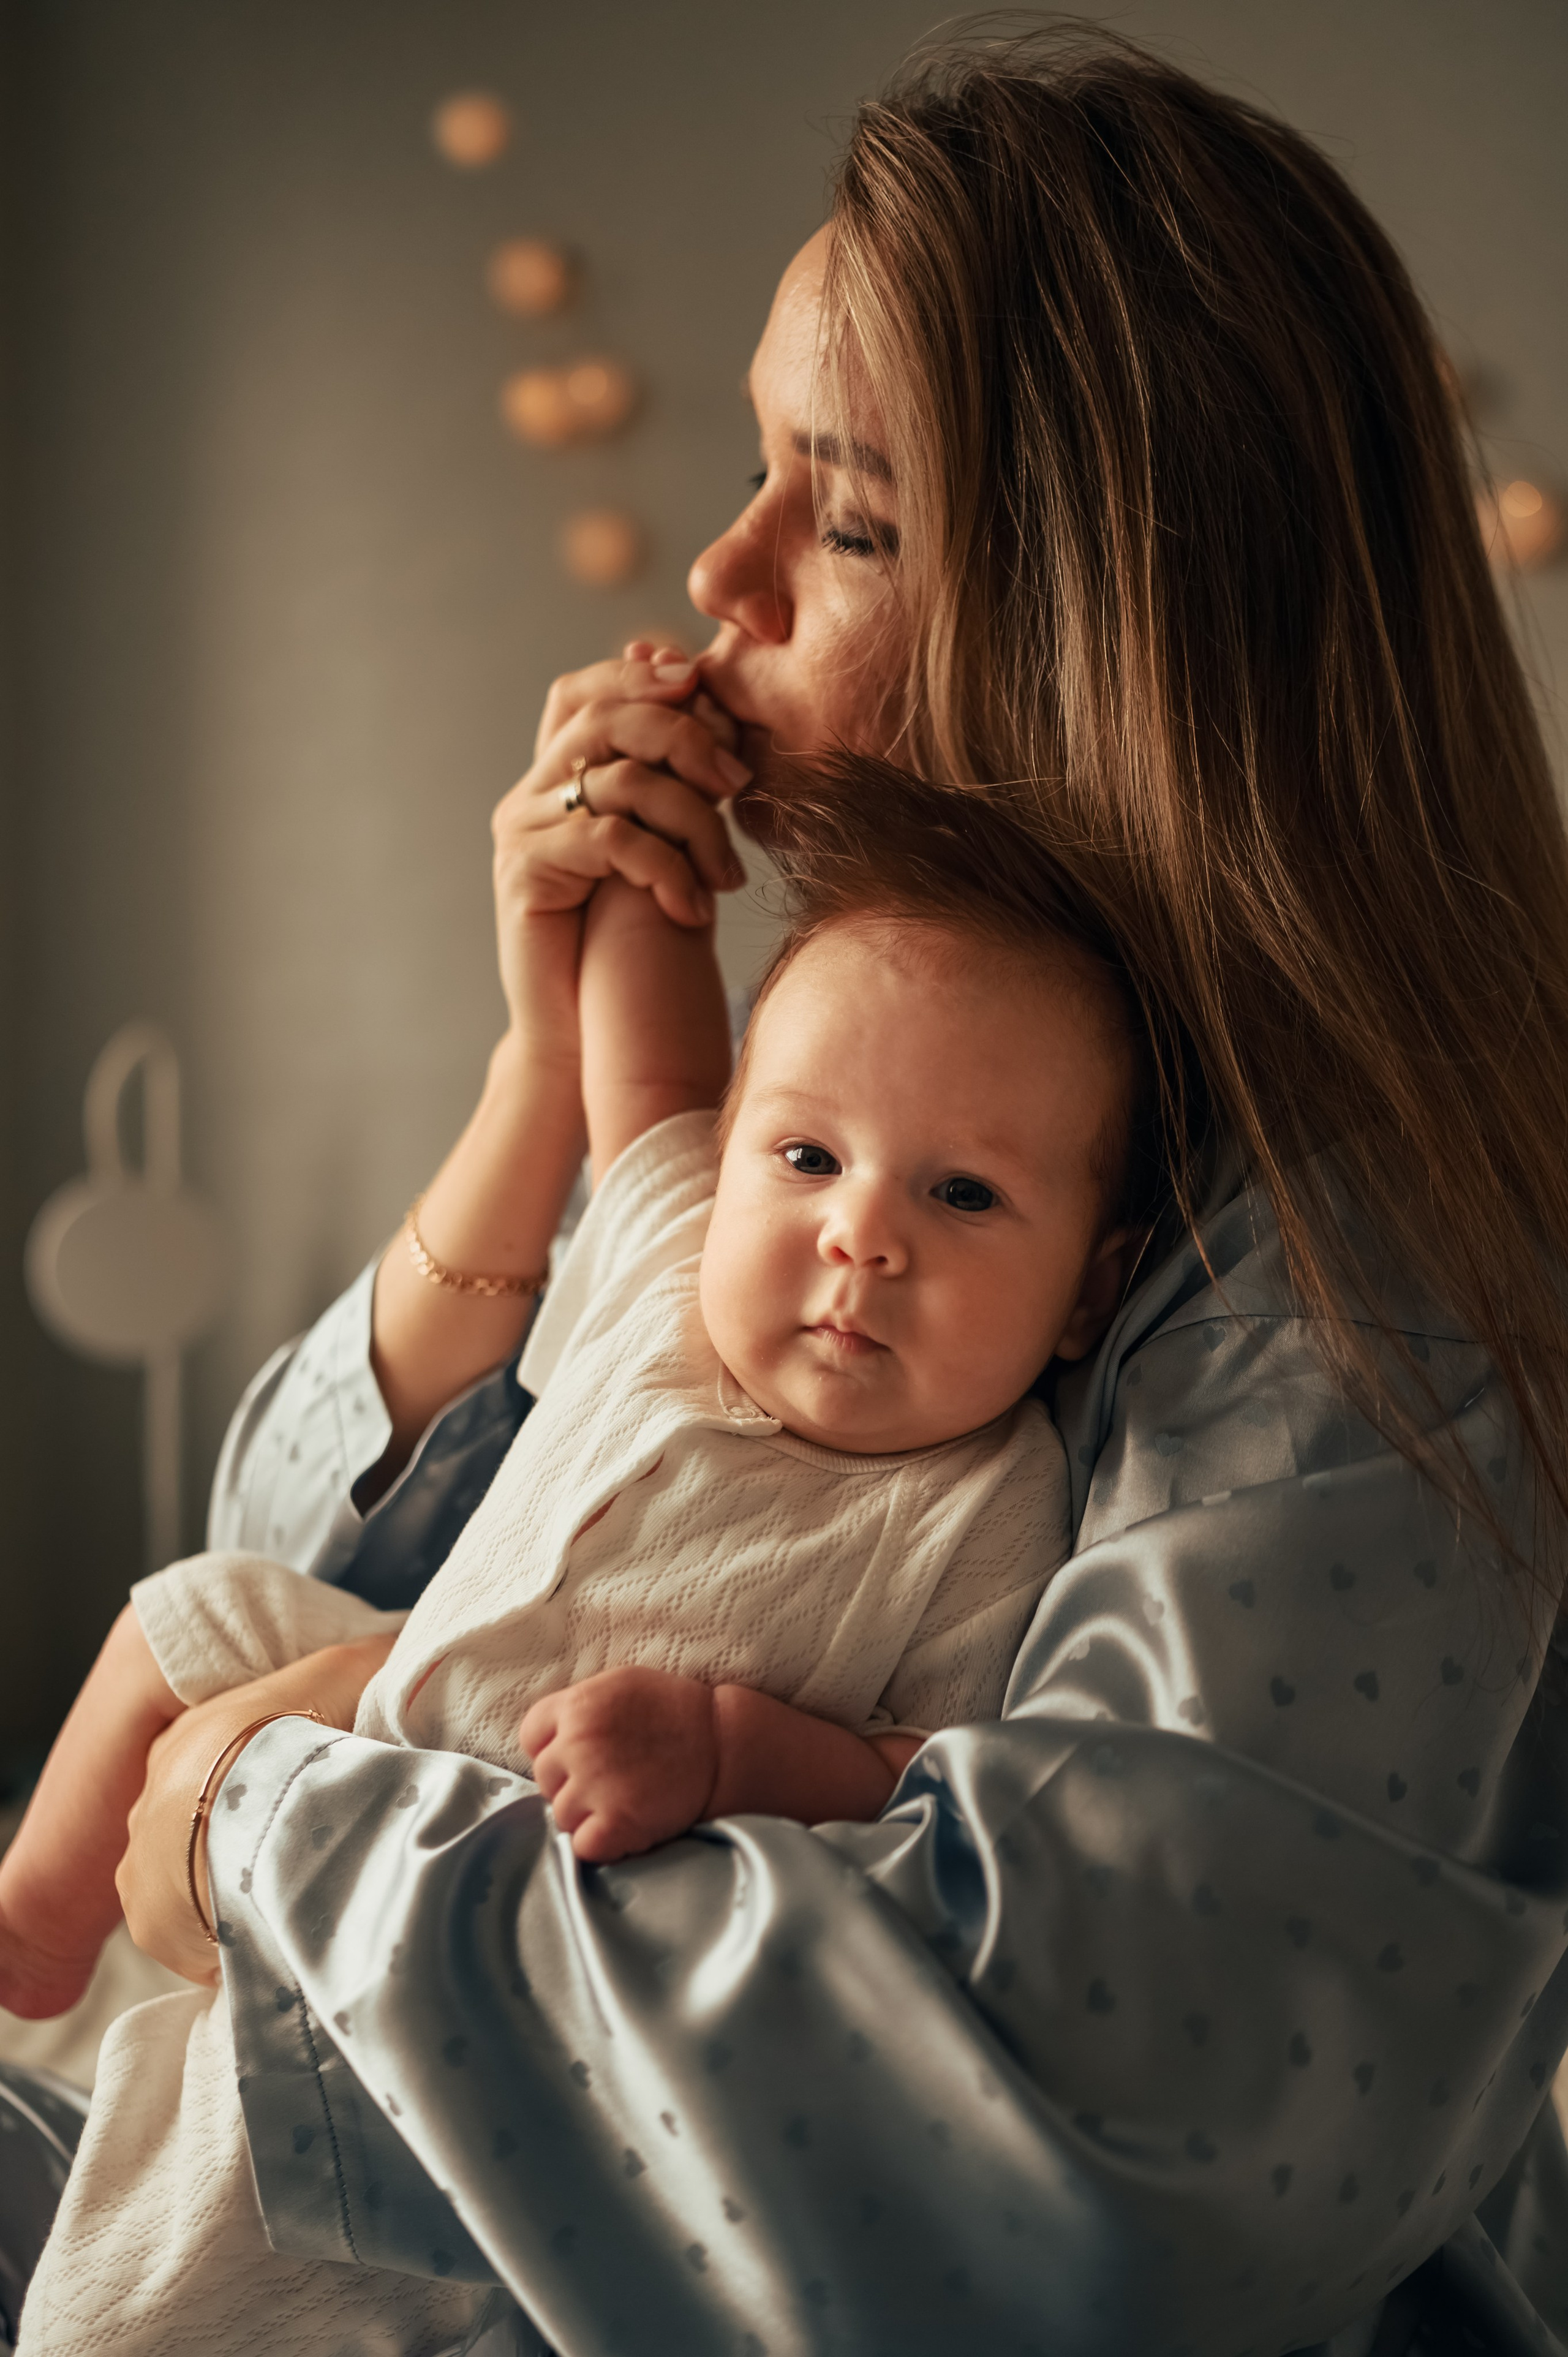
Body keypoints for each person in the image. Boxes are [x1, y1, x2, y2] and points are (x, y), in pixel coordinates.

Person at [94, 23, 1568, 2356]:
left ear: (1118, 637)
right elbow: (345, 1543)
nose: (723, 563)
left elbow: (1022, 2118)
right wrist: (538, 1087)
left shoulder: (1345, 1317)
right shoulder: (875, 1079)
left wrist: (257, 1832)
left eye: (847, 510)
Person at [9, 768, 1152, 2353]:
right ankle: (38, 1922)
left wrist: (743, 1751)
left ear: (1090, 1297)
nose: (861, 1237)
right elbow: (655, 1067)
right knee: (188, 1609)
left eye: (962, 1195)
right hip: (387, 1690)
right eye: (809, 1158)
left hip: (490, 1901)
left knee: (195, 2282)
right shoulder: (674, 1264)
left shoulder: (987, 1504)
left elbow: (931, 1787)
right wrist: (642, 827)